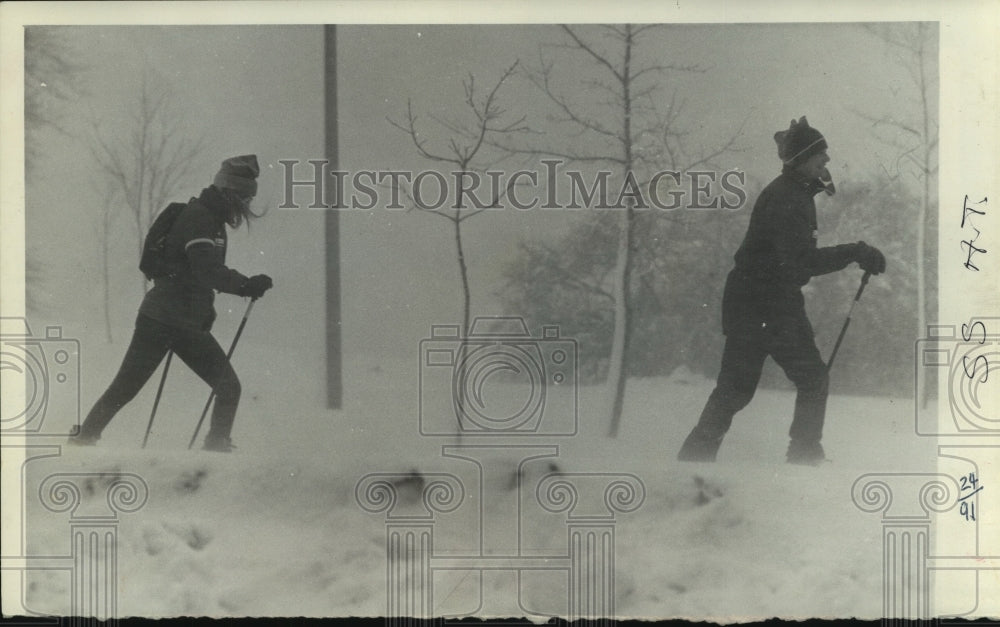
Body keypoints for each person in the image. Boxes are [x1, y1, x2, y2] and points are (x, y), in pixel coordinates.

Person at [677, 118, 886, 466]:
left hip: (753, 302)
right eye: (820, 155)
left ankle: (694, 458)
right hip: (768, 304)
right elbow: (799, 263)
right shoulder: (788, 198)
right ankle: (803, 456)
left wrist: (854, 252)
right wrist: (855, 252)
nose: (827, 162)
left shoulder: (792, 192)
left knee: (736, 389)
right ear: (802, 159)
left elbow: (792, 262)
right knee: (810, 378)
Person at [69, 155, 273, 452]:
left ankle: (84, 438)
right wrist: (245, 285)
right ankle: (215, 449)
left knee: (131, 387)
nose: (245, 207)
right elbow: (206, 270)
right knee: (221, 386)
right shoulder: (201, 218)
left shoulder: (211, 220)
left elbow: (194, 275)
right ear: (231, 192)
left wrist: (206, 309)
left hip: (176, 321)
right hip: (164, 320)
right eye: (244, 197)